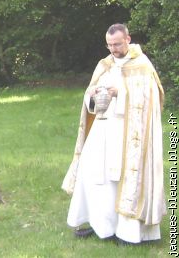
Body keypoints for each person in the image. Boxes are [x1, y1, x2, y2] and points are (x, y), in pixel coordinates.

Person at [62, 23, 165, 244]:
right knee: (92, 174)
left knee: (123, 179)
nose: (113, 49)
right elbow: (89, 96)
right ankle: (102, 226)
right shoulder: (105, 64)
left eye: (117, 44)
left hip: (129, 134)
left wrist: (121, 94)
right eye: (109, 45)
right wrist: (94, 96)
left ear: (128, 39)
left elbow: (152, 98)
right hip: (102, 128)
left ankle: (128, 233)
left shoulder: (142, 65)